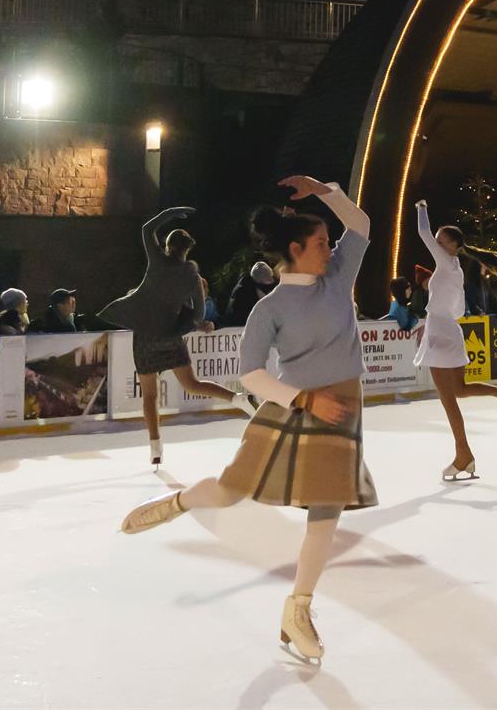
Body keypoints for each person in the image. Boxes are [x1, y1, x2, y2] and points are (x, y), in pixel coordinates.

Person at [120, 176, 378, 665]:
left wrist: (325, 191)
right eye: (322, 243)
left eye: (329, 241)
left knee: (327, 510)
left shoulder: (339, 275)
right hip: (290, 406)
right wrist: (303, 399)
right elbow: (252, 376)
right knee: (229, 490)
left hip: (342, 405)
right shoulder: (270, 308)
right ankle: (179, 500)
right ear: (297, 249)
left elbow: (361, 223)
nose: (331, 248)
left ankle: (297, 610)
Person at [99, 207, 236, 467]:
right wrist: (186, 328)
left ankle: (155, 447)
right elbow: (197, 314)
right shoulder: (191, 277)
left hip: (146, 337)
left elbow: (145, 229)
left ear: (167, 245)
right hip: (170, 335)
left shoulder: (157, 262)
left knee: (150, 396)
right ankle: (238, 399)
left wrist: (172, 213)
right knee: (193, 384)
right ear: (188, 251)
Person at [412, 201, 497, 481]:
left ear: (452, 246)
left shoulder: (446, 262)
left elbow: (422, 232)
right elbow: (455, 309)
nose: (435, 243)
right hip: (449, 331)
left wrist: (421, 207)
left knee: (449, 400)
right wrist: (431, 322)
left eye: (440, 241)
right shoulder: (454, 267)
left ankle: (463, 454)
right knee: (459, 389)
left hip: (442, 333)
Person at [223, 261, 276, 327]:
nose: (269, 291)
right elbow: (239, 318)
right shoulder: (242, 293)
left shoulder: (252, 288)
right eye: (265, 287)